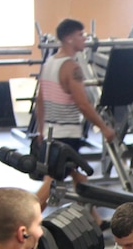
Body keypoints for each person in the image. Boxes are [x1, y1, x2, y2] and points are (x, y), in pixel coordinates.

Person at [34, 18, 116, 225]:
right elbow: (83, 105)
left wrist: (40, 129)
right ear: (69, 39)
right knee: (50, 184)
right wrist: (104, 127)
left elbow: (39, 100)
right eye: (81, 35)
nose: (85, 39)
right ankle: (24, 223)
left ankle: (94, 217)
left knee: (79, 176)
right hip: (67, 135)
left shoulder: (50, 62)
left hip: (52, 132)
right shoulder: (71, 67)